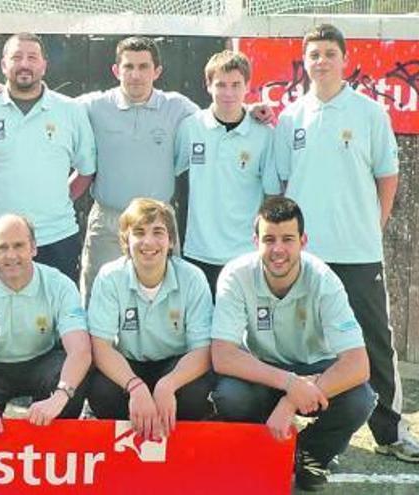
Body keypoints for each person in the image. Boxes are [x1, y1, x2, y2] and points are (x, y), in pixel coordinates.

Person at [273, 23, 416, 462]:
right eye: (313, 55)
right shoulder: (290, 116)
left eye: (329, 54)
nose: (321, 62)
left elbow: (387, 176)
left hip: (357, 251)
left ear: (344, 59)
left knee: (373, 341)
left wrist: (374, 225)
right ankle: (320, 430)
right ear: (304, 62)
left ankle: (390, 433)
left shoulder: (369, 113)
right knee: (302, 343)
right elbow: (281, 183)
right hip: (305, 255)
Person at [211, 196, 375, 490]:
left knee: (359, 399)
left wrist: (292, 399)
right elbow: (223, 355)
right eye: (269, 239)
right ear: (255, 241)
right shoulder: (236, 276)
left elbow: (358, 364)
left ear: (303, 241)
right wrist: (290, 383)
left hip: (316, 368)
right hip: (265, 370)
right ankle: (264, 448)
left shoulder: (325, 280)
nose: (278, 250)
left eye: (288, 239)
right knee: (229, 395)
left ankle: (311, 453)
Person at [77, 36, 199, 306]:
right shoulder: (94, 106)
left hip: (159, 222)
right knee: (96, 297)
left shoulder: (177, 107)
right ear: (115, 70)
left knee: (168, 297)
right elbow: (50, 106)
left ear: (157, 71)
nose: (135, 75)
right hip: (108, 222)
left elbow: (219, 116)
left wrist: (254, 112)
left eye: (144, 67)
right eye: (128, 66)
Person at [0, 32, 96, 282]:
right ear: (4, 64)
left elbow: (86, 170)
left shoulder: (70, 111)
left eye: (32, 57)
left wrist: (59, 197)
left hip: (56, 236)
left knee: (57, 318)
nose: (24, 64)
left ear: (44, 65)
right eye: (16, 57)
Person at [0, 214, 92, 437]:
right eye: (2, 247)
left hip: (42, 360)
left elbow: (80, 350)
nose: (11, 255)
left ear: (33, 248)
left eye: (19, 246)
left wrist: (60, 396)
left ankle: (55, 458)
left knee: (70, 387)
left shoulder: (59, 284)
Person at [88, 198, 213, 440]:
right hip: (130, 364)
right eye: (139, 232)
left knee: (194, 394)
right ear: (126, 240)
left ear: (171, 241)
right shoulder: (110, 277)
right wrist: (135, 387)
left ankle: (181, 449)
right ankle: (126, 450)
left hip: (175, 365)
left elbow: (204, 350)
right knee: (102, 391)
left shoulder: (193, 278)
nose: (148, 242)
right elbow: (100, 347)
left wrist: (167, 385)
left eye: (158, 232)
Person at [174, 50, 280, 296]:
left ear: (248, 86)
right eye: (221, 84)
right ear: (208, 85)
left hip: (246, 253)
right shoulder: (191, 127)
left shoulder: (264, 134)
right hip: (198, 251)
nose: (228, 93)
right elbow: (171, 171)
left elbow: (272, 195)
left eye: (236, 85)